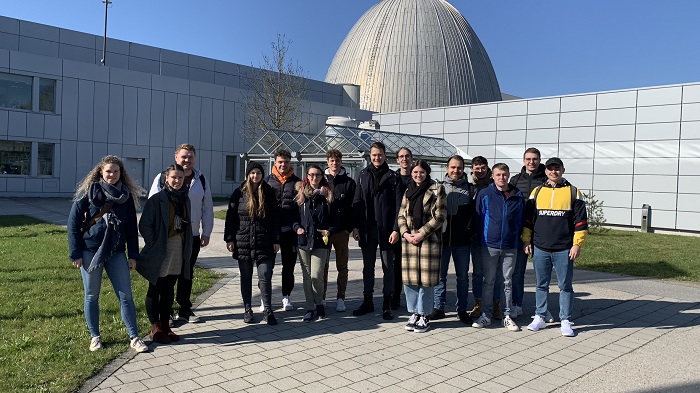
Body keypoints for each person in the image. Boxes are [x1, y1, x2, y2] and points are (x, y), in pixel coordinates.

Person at [68, 155, 149, 353]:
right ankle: (95, 336)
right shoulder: (88, 193)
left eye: (115, 171)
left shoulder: (125, 196)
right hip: (89, 252)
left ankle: (134, 337)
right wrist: (75, 253)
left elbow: (131, 227)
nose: (111, 175)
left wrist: (133, 255)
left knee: (126, 296)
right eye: (108, 171)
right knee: (91, 295)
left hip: (116, 252)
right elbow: (73, 224)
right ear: (100, 173)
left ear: (121, 173)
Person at [148, 144, 214, 324]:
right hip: (169, 236)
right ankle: (166, 312)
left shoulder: (201, 179)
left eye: (190, 157)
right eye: (184, 157)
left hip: (190, 236)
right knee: (167, 274)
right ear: (176, 157)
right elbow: (151, 207)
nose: (187, 160)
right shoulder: (163, 178)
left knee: (187, 273)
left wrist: (206, 232)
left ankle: (185, 309)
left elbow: (207, 207)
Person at [523, 157, 588, 337]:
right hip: (540, 247)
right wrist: (526, 240)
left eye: (557, 168)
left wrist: (577, 244)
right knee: (541, 285)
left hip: (564, 249)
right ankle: (540, 316)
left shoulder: (574, 192)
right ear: (545, 171)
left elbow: (581, 222)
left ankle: (566, 320)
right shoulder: (536, 192)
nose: (554, 172)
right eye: (550, 169)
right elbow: (528, 220)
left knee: (565, 286)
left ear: (563, 170)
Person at [138, 164, 192, 344]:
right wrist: (155, 242)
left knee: (169, 287)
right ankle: (155, 327)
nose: (177, 181)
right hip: (161, 248)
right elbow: (144, 225)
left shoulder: (184, 199)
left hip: (177, 247)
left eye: (180, 178)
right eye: (173, 177)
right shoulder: (157, 199)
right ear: (166, 179)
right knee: (156, 286)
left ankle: (165, 325)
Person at [352, 141, 405, 320]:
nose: (377, 157)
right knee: (368, 268)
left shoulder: (393, 177)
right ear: (370, 155)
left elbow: (400, 206)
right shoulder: (362, 175)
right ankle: (368, 301)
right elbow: (357, 203)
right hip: (367, 229)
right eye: (374, 155)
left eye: (380, 154)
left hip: (386, 230)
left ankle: (387, 304)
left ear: (385, 155)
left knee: (388, 268)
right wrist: (356, 227)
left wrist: (396, 229)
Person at [224, 162, 280, 325]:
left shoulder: (269, 193)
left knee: (265, 276)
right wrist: (230, 239)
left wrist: (277, 239)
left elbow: (275, 218)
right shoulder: (239, 193)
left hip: (265, 241)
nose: (255, 176)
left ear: (263, 175)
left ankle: (268, 310)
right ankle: (247, 309)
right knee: (246, 277)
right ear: (248, 175)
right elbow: (230, 218)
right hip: (243, 241)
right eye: (252, 173)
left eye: (258, 173)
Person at [472, 163, 525, 332]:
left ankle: (507, 315)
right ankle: (486, 315)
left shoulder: (517, 195)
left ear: (508, 175)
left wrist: (517, 238)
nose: (501, 178)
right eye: (498, 175)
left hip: (510, 246)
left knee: (507, 282)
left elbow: (521, 220)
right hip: (490, 245)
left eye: (504, 174)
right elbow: (479, 218)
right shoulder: (485, 194)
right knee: (489, 281)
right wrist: (481, 238)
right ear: (492, 176)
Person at [398, 160, 446, 333]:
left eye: (422, 172)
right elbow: (401, 215)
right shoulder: (408, 190)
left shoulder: (437, 189)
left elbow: (440, 216)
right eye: (415, 172)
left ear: (427, 173)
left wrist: (421, 233)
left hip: (428, 240)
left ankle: (424, 314)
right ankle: (414, 312)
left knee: (426, 280)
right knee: (410, 280)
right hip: (410, 241)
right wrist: (405, 233)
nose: (418, 175)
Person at [429, 155, 476, 324]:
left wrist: (469, 232)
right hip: (441, 241)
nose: (456, 171)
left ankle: (462, 309)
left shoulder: (471, 189)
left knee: (462, 277)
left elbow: (474, 215)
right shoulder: (438, 188)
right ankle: (438, 307)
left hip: (462, 242)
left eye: (459, 168)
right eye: (453, 167)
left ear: (463, 169)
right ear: (447, 168)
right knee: (439, 277)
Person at [508, 147, 547, 319]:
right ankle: (517, 304)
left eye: (535, 159)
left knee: (543, 273)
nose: (532, 162)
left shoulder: (547, 179)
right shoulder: (515, 180)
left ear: (539, 160)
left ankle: (543, 309)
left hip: (542, 232)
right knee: (518, 271)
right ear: (524, 160)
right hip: (520, 231)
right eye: (528, 159)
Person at [294, 165, 336, 321]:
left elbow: (335, 219)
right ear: (307, 176)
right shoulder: (300, 195)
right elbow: (293, 217)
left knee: (317, 275)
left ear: (321, 176)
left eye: (317, 175)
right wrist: (297, 227)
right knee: (307, 277)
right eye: (311, 175)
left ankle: (319, 304)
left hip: (320, 242)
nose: (314, 178)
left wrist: (329, 231)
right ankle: (310, 307)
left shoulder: (328, 196)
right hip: (304, 241)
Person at [266, 150, 302, 311]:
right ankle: (265, 298)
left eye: (286, 162)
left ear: (290, 163)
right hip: (270, 231)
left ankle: (286, 297)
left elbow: (301, 207)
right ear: (275, 163)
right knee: (267, 266)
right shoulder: (267, 181)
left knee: (289, 266)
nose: (283, 165)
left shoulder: (297, 182)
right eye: (280, 162)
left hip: (290, 231)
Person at [468, 156, 503, 320]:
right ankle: (479, 303)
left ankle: (495, 304)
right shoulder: (469, 186)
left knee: (494, 274)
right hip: (475, 238)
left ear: (487, 169)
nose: (480, 170)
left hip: (491, 239)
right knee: (477, 273)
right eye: (476, 167)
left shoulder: (494, 186)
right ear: (472, 168)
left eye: (483, 167)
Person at [323, 150, 356, 312]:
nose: (334, 163)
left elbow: (354, 207)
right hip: (324, 233)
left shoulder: (349, 183)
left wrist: (349, 229)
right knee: (322, 267)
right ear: (327, 162)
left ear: (341, 162)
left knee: (342, 267)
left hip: (342, 232)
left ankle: (340, 298)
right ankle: (321, 298)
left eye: (337, 160)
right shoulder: (320, 181)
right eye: (331, 161)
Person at [392, 147, 413, 309]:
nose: (404, 159)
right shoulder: (393, 179)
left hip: (415, 230)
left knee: (413, 266)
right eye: (401, 157)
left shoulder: (418, 177)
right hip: (397, 228)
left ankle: (413, 300)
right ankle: (395, 296)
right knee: (396, 265)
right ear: (397, 160)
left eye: (407, 156)